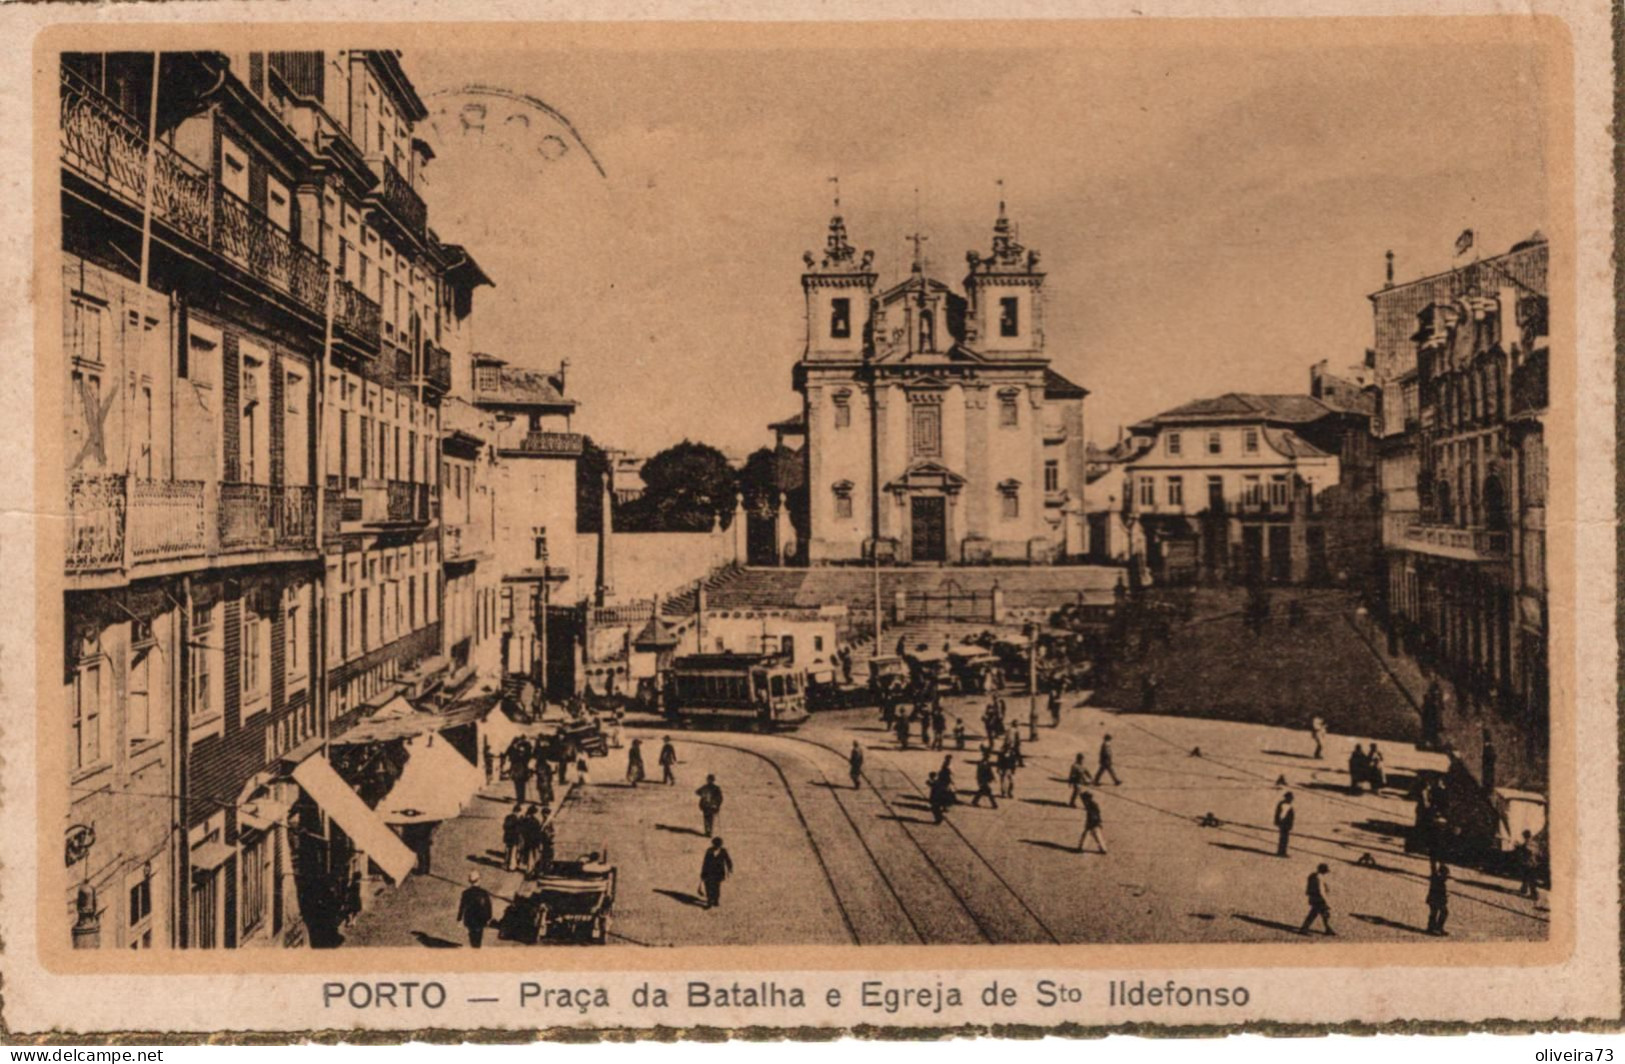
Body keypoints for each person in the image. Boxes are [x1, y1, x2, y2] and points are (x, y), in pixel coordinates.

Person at [457, 872, 493, 948]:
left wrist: (459, 918)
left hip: (470, 919)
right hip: (480, 919)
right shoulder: (484, 893)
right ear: (479, 880)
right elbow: (488, 907)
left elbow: (462, 906)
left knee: (472, 935)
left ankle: (473, 946)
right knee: (479, 936)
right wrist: (489, 918)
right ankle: (477, 948)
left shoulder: (466, 893)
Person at [1300, 863, 1334, 936]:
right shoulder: (1318, 878)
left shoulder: (1313, 876)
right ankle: (1304, 929)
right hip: (1319, 899)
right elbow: (1320, 890)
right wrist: (1326, 900)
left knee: (1324, 914)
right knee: (1315, 914)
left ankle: (1328, 929)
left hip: (1314, 897)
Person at [699, 837, 733, 909]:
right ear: (713, 844)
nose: (717, 847)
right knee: (708, 887)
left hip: (719, 873)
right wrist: (703, 873)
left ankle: (716, 900)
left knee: (716, 887)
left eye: (719, 845)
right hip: (709, 872)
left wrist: (730, 868)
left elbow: (728, 860)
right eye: (716, 845)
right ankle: (709, 901)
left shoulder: (723, 851)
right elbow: (705, 862)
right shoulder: (709, 851)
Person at [1514, 830, 1541, 900]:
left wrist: (1517, 846)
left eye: (1523, 836)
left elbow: (1524, 849)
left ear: (1525, 836)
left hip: (1528, 863)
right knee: (1526, 877)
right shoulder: (1534, 843)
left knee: (1531, 879)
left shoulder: (1527, 844)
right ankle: (1524, 889)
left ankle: (1534, 895)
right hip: (1534, 863)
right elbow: (1538, 852)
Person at [1426, 862, 1451, 935]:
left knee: (1434, 912)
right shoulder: (1436, 879)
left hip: (1434, 899)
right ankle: (1436, 927)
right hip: (1435, 899)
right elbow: (1433, 867)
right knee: (1442, 912)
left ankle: (1432, 927)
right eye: (1446, 875)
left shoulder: (1439, 880)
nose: (1446, 877)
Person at [506, 735, 532, 804]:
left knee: (521, 785)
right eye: (517, 743)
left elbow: (527, 758)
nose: (518, 745)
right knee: (518, 784)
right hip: (517, 769)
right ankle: (520, 799)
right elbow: (511, 758)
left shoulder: (521, 750)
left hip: (521, 769)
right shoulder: (512, 749)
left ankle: (521, 799)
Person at [519, 804, 544, 873]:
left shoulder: (524, 820)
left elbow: (521, 830)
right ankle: (531, 870)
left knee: (528, 855)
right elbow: (538, 832)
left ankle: (529, 868)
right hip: (533, 841)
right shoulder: (535, 821)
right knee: (533, 856)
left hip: (527, 840)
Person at [502, 803, 524, 872]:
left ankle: (505, 864)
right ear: (518, 811)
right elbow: (519, 829)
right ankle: (512, 867)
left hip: (508, 837)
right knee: (513, 852)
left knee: (507, 851)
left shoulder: (508, 817)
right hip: (514, 838)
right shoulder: (517, 819)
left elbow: (504, 826)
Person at [1274, 792, 1296, 857]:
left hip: (1285, 824)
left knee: (1284, 839)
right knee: (1284, 839)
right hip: (1284, 824)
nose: (1291, 799)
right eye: (1290, 798)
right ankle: (1281, 852)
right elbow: (1282, 815)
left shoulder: (1284, 804)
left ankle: (1282, 851)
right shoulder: (1284, 805)